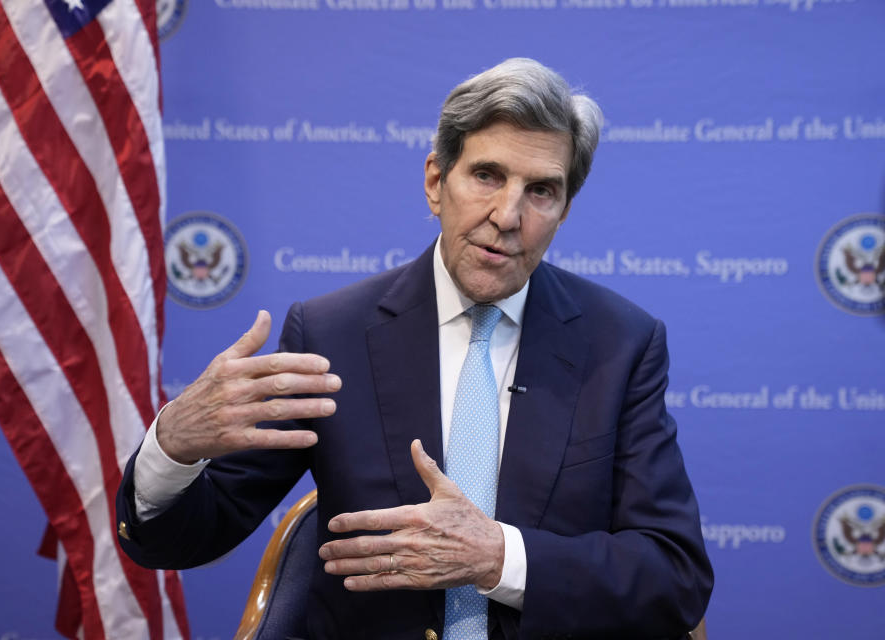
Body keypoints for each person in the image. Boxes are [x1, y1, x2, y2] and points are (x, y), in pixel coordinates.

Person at [117, 57, 713, 639]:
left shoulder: (621, 344)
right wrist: (172, 447)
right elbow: (183, 538)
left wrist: (499, 558)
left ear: (564, 210)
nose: (507, 215)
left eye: (541, 191)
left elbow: (675, 575)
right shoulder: (333, 335)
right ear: (435, 181)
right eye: (486, 176)